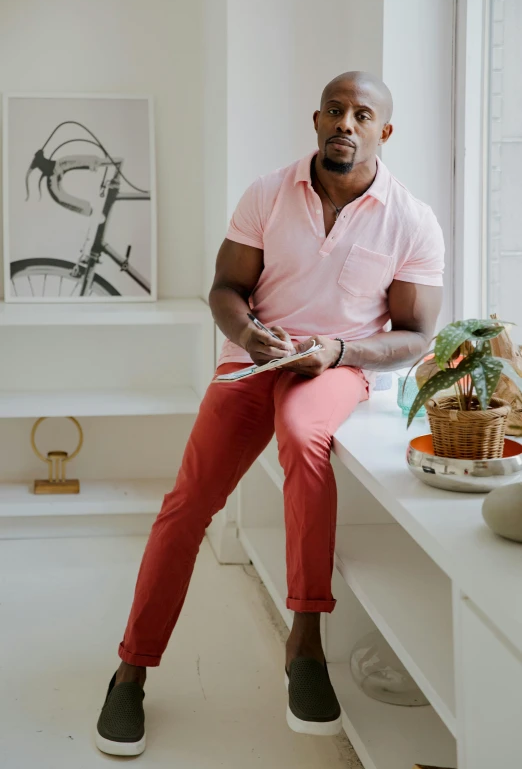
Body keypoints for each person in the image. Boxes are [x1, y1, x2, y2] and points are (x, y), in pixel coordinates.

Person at [95, 71, 444, 755]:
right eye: (335, 110)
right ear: (316, 121)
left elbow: (415, 334)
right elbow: (225, 286)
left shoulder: (412, 218)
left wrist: (338, 347)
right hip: (253, 361)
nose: (347, 123)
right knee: (188, 502)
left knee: (304, 435)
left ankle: (305, 644)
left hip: (334, 366)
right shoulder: (267, 193)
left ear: (384, 131)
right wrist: (250, 331)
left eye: (362, 114)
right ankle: (130, 669)